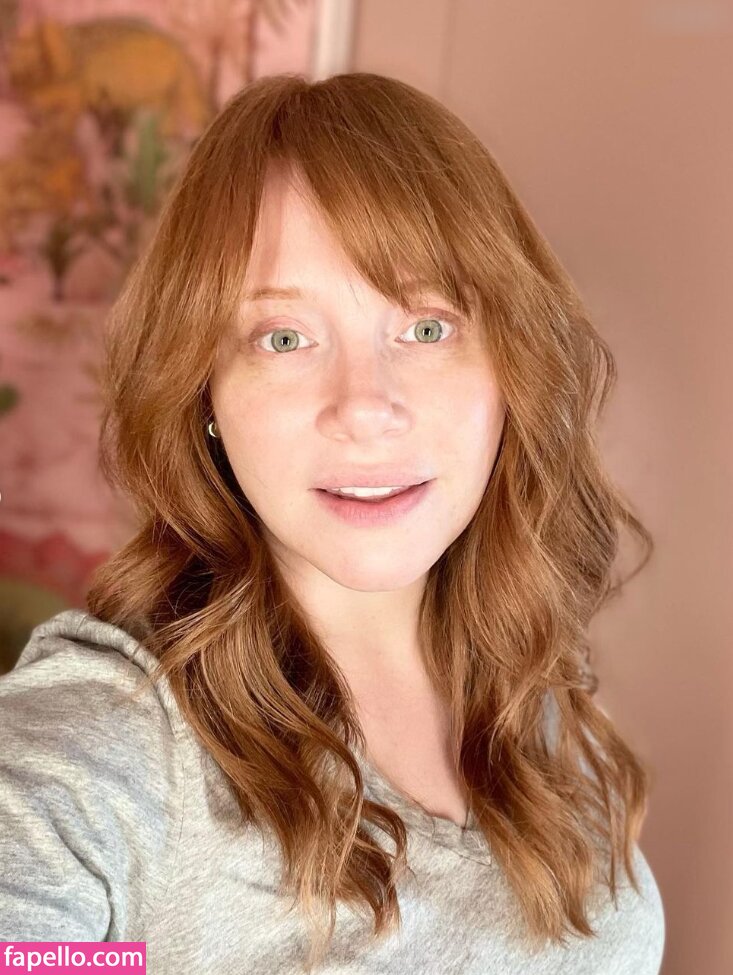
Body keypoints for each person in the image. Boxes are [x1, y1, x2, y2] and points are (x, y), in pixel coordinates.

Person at [0, 72, 665, 974]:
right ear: (205, 393)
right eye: (284, 338)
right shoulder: (95, 755)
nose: (364, 407)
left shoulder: (535, 695)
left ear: (508, 367)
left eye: (426, 327)